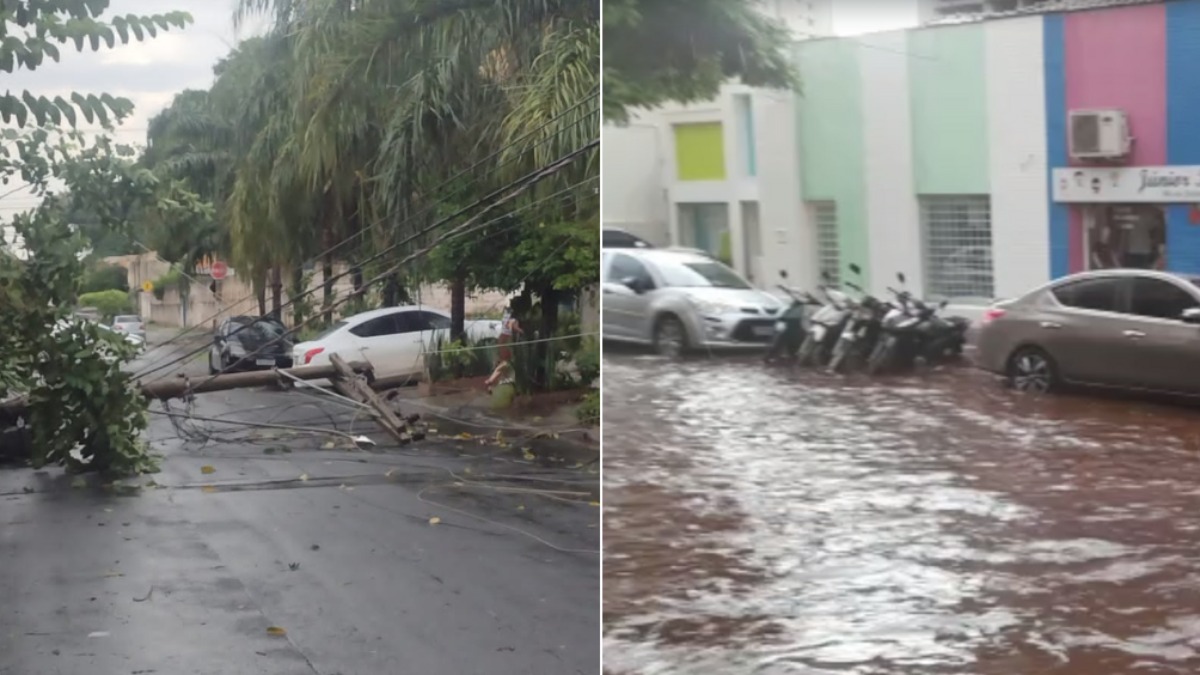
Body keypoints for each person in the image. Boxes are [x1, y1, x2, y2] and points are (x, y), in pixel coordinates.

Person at [484, 307, 522, 393]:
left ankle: (492, 385)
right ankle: (490, 380)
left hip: (501, 339)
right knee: (505, 363)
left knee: (503, 364)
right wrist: (522, 331)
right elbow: (512, 326)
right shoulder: (513, 320)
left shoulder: (505, 318)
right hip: (506, 341)